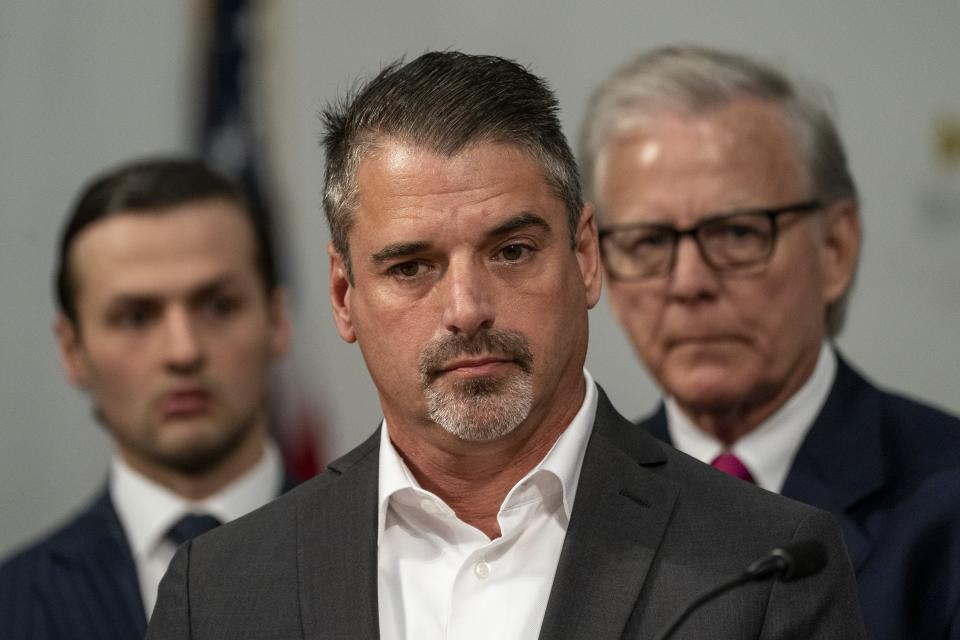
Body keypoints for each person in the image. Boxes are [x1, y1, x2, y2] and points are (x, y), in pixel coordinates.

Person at [147, 51, 864, 639]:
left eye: (512, 251)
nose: (466, 310)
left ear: (586, 257)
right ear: (344, 296)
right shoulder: (218, 590)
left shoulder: (766, 565)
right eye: (410, 267)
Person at [580, 45, 960, 639]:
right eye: (648, 242)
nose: (688, 283)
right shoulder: (578, 507)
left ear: (834, 249)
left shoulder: (945, 498)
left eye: (736, 233)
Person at [0, 157, 297, 639]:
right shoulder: (11, 606)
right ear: (73, 351)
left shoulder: (383, 562)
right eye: (136, 318)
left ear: (277, 321)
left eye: (219, 306)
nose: (183, 352)